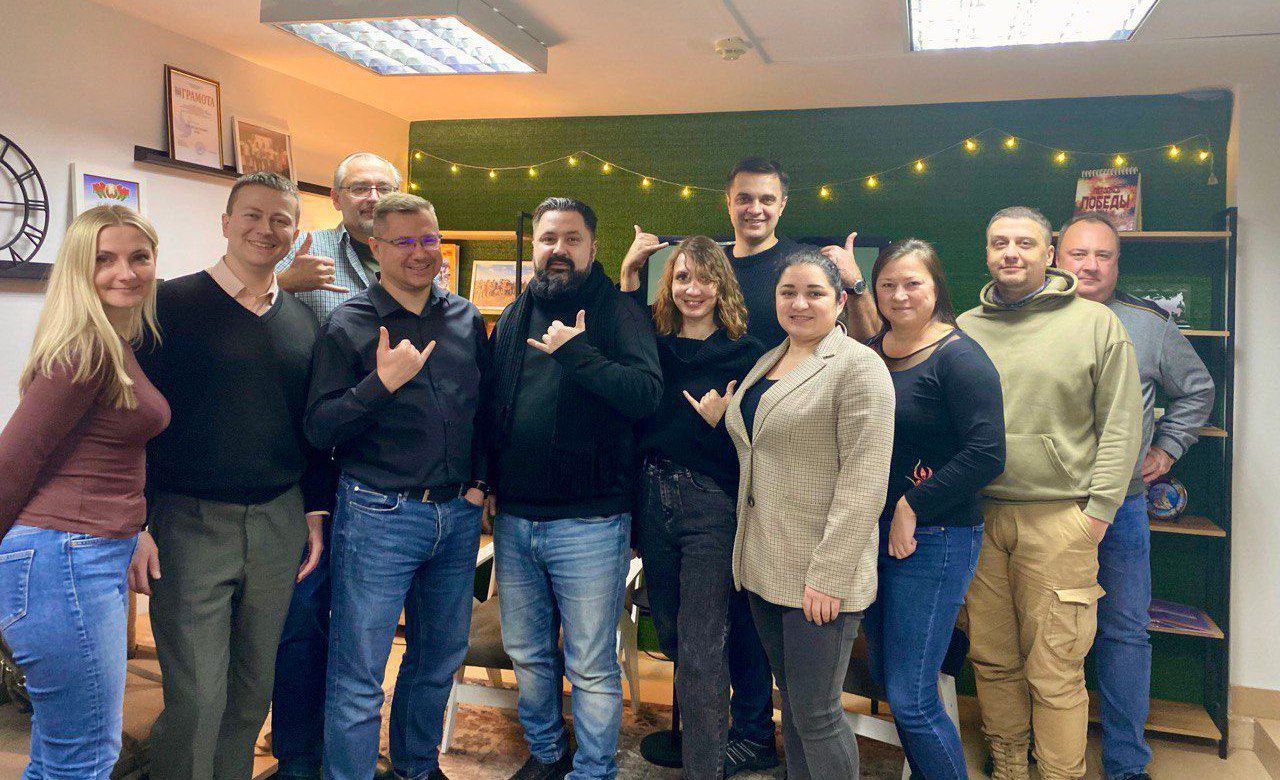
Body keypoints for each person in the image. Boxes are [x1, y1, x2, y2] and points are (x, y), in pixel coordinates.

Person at [618, 157, 878, 776]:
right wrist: (628, 277)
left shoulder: (836, 349)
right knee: (728, 633)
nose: (798, 304)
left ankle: (750, 738)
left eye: (813, 294)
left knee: (800, 692)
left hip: (762, 502)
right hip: (722, 498)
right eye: (744, 198)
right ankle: (750, 737)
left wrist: (858, 283)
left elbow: (860, 472)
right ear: (728, 202)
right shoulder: (752, 344)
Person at [137, 172, 334, 780]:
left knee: (252, 691)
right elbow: (129, 423)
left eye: (280, 220)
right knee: (198, 697)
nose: (265, 229)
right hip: (189, 521)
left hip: (278, 521)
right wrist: (136, 524)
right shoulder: (166, 306)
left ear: (294, 233)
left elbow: (310, 427)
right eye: (252, 215)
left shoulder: (302, 322)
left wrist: (313, 510)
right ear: (225, 223)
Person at [305, 193, 489, 780]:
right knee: (359, 675)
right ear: (376, 248)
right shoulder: (348, 323)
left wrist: (480, 485)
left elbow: (486, 410)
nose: (420, 252)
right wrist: (379, 385)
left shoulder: (465, 318)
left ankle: (416, 768)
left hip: (456, 517)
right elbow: (319, 427)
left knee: (437, 662)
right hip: (377, 515)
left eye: (429, 239)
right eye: (404, 241)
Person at [958, 206, 1142, 780]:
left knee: (1057, 669)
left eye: (1025, 243)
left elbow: (1121, 425)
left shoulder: (1095, 323)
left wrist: (1098, 513)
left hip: (1061, 518)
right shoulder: (964, 328)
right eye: (999, 243)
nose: (1011, 253)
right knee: (992, 661)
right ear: (987, 252)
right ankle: (1010, 767)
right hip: (980, 519)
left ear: (1048, 252)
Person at [484, 197, 662, 780]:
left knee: (588, 663)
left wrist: (576, 354)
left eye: (572, 239)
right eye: (548, 239)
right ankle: (546, 753)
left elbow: (645, 395)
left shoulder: (618, 311)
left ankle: (592, 769)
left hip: (591, 521)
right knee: (528, 653)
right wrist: (488, 482)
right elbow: (492, 405)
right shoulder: (516, 313)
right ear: (535, 245)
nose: (558, 250)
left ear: (592, 247)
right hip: (516, 518)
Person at [0, 205, 170, 778]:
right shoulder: (85, 350)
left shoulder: (115, 342)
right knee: (85, 757)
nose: (126, 271)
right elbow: (13, 462)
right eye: (105, 259)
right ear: (79, 268)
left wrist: (135, 528)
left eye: (139, 257)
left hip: (84, 553)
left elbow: (97, 457)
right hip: (64, 558)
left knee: (65, 755)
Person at [725, 249, 895, 780]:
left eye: (814, 293)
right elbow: (765, 444)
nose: (800, 303)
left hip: (819, 575)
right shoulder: (770, 358)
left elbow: (865, 482)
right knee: (795, 704)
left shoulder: (858, 367)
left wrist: (829, 575)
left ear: (840, 301)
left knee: (818, 714)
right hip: (766, 564)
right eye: (788, 293)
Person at [1055, 212, 1214, 780]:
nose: (1090, 266)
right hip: (1049, 506)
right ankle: (1048, 752)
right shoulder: (1032, 318)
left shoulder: (1148, 325)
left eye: (1103, 255)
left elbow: (1197, 389)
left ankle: (1125, 763)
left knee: (1123, 630)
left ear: (1117, 265)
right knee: (1048, 633)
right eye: (1078, 254)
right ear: (1056, 258)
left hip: (1122, 507)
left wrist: (1166, 449)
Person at [271, 150, 403, 780]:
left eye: (381, 187)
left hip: (383, 473)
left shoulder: (413, 253)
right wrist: (283, 286)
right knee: (302, 618)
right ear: (336, 196)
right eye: (358, 188)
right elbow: (242, 304)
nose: (370, 197)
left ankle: (348, 755)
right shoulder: (302, 252)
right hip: (309, 464)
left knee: (361, 631)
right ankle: (299, 758)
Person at [861, 239, 1005, 779]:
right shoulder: (872, 351)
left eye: (912, 283)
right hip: (873, 535)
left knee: (912, 697)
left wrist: (911, 504)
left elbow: (988, 453)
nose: (899, 295)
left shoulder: (961, 358)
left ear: (936, 287)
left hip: (936, 539)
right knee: (887, 678)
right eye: (888, 285)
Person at [633, 235, 764, 779]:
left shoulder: (747, 353)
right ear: (670, 284)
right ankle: (701, 743)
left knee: (703, 646)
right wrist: (629, 273)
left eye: (705, 278)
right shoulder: (653, 346)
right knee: (671, 633)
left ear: (721, 285)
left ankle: (703, 768)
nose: (693, 289)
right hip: (651, 497)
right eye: (683, 277)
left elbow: (762, 448)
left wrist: (725, 422)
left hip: (710, 504)